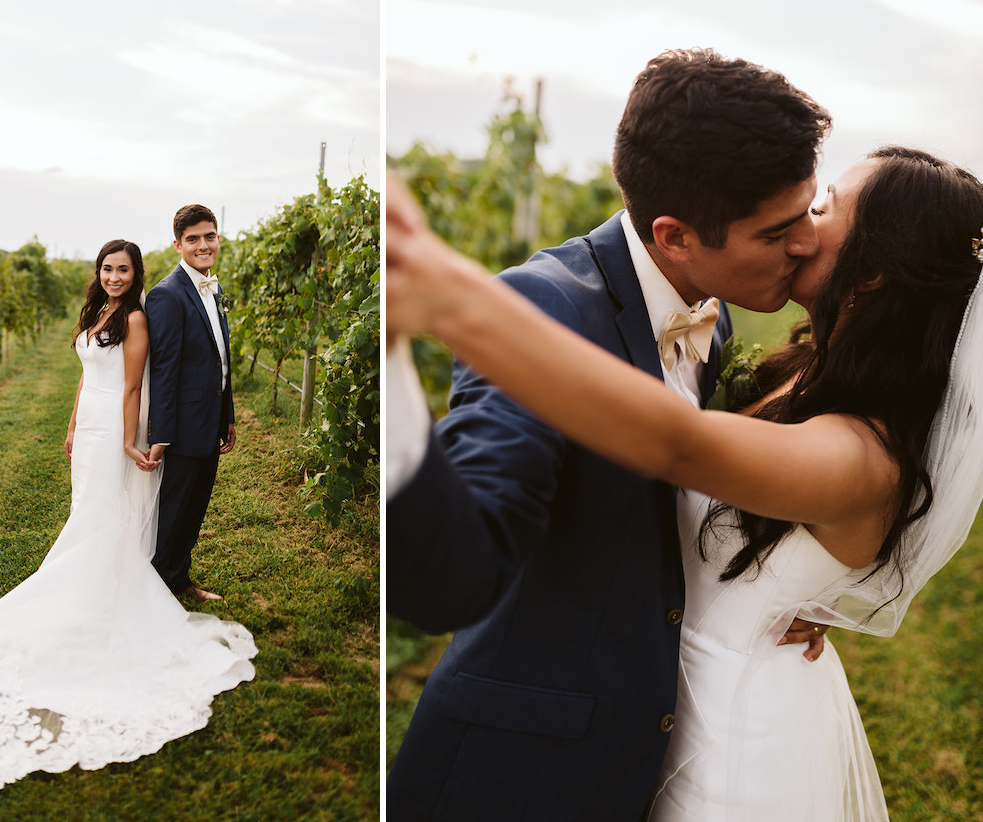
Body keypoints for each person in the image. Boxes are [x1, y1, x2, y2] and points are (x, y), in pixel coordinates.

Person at [387, 146, 983, 819]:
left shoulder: (860, 456)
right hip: (657, 713)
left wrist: (460, 301)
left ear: (874, 274)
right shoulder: (804, 368)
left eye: (824, 208)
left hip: (736, 743)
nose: (803, 229)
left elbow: (679, 444)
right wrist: (794, 586)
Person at [386, 48, 832, 821]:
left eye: (809, 214)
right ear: (676, 235)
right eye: (778, 232)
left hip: (649, 758)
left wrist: (779, 582)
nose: (806, 245)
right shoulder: (542, 310)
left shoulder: (713, 310)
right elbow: (457, 573)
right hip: (514, 777)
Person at [0, 240, 257, 791]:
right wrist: (75, 423)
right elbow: (87, 375)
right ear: (98, 272)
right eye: (107, 268)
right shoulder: (96, 311)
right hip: (90, 426)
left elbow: (132, 386)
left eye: (123, 270)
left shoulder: (134, 318)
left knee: (107, 515)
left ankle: (112, 587)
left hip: (117, 430)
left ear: (136, 275)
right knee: (90, 508)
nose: (114, 277)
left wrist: (129, 442)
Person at [146, 205, 236, 602]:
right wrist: (161, 433)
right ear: (178, 244)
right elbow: (163, 371)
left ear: (218, 237)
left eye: (209, 236)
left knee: (195, 507)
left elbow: (220, 358)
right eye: (194, 239)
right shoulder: (167, 295)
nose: (204, 245)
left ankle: (178, 578)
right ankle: (156, 587)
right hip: (181, 426)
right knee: (174, 510)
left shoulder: (210, 287)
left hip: (209, 419)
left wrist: (227, 416)